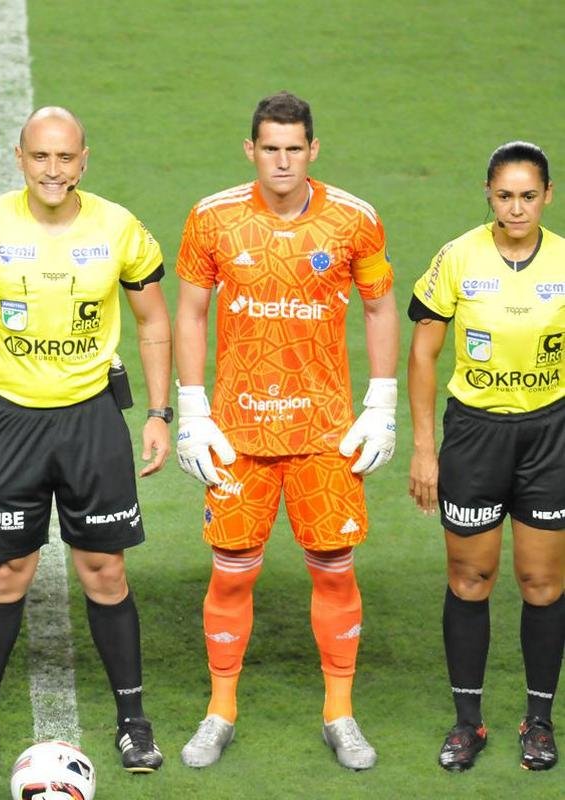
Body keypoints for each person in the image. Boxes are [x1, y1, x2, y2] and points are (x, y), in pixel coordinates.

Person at [0, 106, 172, 777]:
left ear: (83, 161)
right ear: (20, 158)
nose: (53, 170)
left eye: (65, 158)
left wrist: (158, 411)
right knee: (7, 573)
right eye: (41, 157)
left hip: (90, 420)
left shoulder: (117, 226)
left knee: (106, 571)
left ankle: (132, 721)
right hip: (9, 420)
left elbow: (154, 319)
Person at [172, 91, 398, 771]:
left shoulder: (354, 220)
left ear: (312, 150)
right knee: (231, 576)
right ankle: (219, 712)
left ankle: (339, 714)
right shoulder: (211, 219)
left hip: (326, 434)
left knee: (333, 572)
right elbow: (187, 313)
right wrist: (192, 412)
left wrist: (380, 403)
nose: (280, 160)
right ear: (250, 151)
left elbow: (381, 307)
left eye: (293, 147)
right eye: (268, 147)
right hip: (237, 435)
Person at [409, 140, 564, 772]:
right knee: (470, 580)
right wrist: (425, 446)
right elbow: (423, 355)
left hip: (550, 435)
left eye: (529, 195)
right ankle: (468, 723)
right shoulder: (457, 258)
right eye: (505, 195)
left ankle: (540, 720)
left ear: (547, 196)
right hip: (474, 437)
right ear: (488, 194)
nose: (517, 207)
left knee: (542, 582)